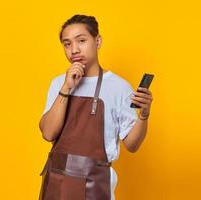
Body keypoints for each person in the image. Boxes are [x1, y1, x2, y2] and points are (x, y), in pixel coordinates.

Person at [38, 14, 153, 200]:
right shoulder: (59, 83)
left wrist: (144, 115)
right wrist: (66, 88)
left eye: (81, 40)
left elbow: (132, 145)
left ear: (97, 41)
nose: (74, 49)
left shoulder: (118, 87)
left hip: (95, 185)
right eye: (67, 44)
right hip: (57, 183)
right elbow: (48, 133)